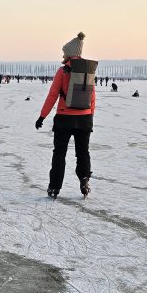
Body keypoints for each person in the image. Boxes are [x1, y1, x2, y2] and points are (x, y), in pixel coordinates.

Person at [35, 31, 94, 198]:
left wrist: (42, 116)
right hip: (84, 119)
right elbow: (92, 97)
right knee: (83, 152)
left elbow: (52, 95)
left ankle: (54, 187)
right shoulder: (88, 71)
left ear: (69, 53)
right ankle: (84, 180)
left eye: (65, 52)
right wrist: (90, 116)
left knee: (59, 153)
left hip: (64, 119)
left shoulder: (62, 71)